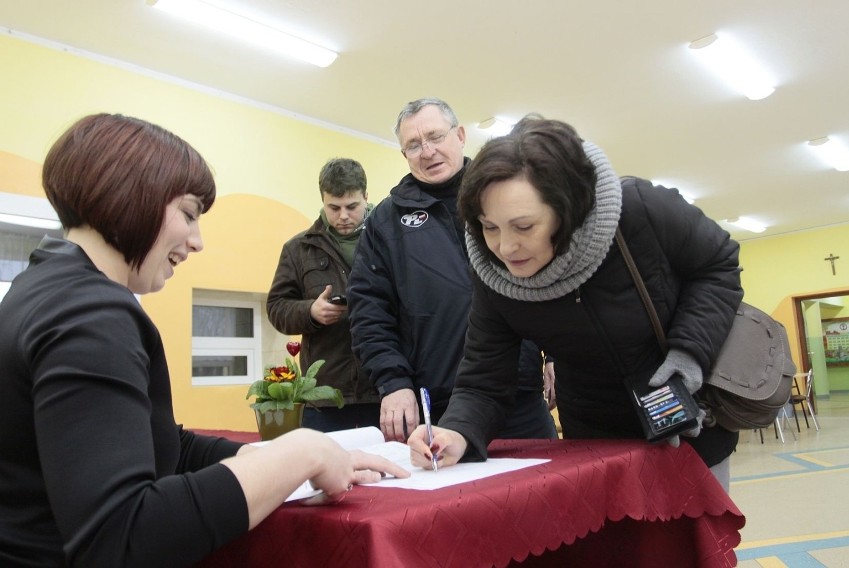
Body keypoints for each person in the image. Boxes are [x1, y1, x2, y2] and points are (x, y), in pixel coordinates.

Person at [0, 113, 408, 568]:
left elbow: (163, 448)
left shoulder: (44, 286)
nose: (197, 242)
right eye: (189, 215)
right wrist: (298, 453)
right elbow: (123, 539)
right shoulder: (89, 313)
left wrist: (267, 456)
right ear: (132, 197)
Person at [408, 115, 743, 491]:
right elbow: (484, 379)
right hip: (595, 436)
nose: (505, 247)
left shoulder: (639, 210)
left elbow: (718, 265)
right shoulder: (494, 273)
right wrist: (455, 433)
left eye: (524, 226)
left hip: (689, 414)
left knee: (698, 545)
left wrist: (690, 354)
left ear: (566, 211)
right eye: (489, 227)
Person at [348, 97, 557, 442]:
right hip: (441, 403)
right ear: (404, 155)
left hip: (520, 396)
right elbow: (368, 311)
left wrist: (555, 357)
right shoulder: (386, 222)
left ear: (460, 135)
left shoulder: (506, 194)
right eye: (413, 145)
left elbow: (549, 277)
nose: (427, 151)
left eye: (435, 136)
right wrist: (393, 382)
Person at [267, 158, 380, 432]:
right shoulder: (298, 248)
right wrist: (310, 312)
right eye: (334, 207)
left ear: (366, 197)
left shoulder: (389, 240)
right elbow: (276, 307)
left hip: (385, 390)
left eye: (352, 207)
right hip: (325, 398)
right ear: (322, 200)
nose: (343, 216)